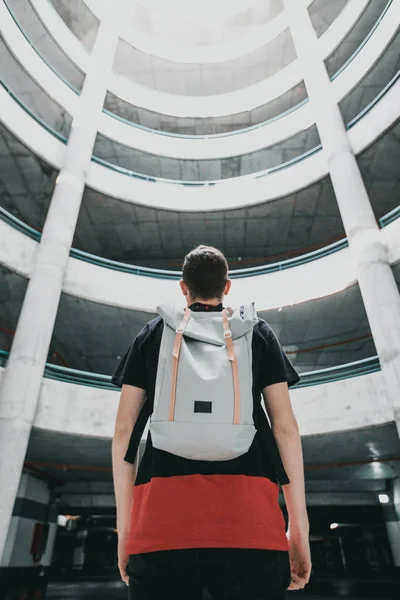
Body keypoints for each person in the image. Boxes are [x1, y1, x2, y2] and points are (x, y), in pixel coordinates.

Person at [112, 245, 311, 599]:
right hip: (252, 527)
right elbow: (285, 428)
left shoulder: (153, 334)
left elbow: (125, 432)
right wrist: (299, 530)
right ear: (227, 287)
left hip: (160, 527)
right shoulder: (257, 332)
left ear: (182, 287)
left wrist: (126, 530)